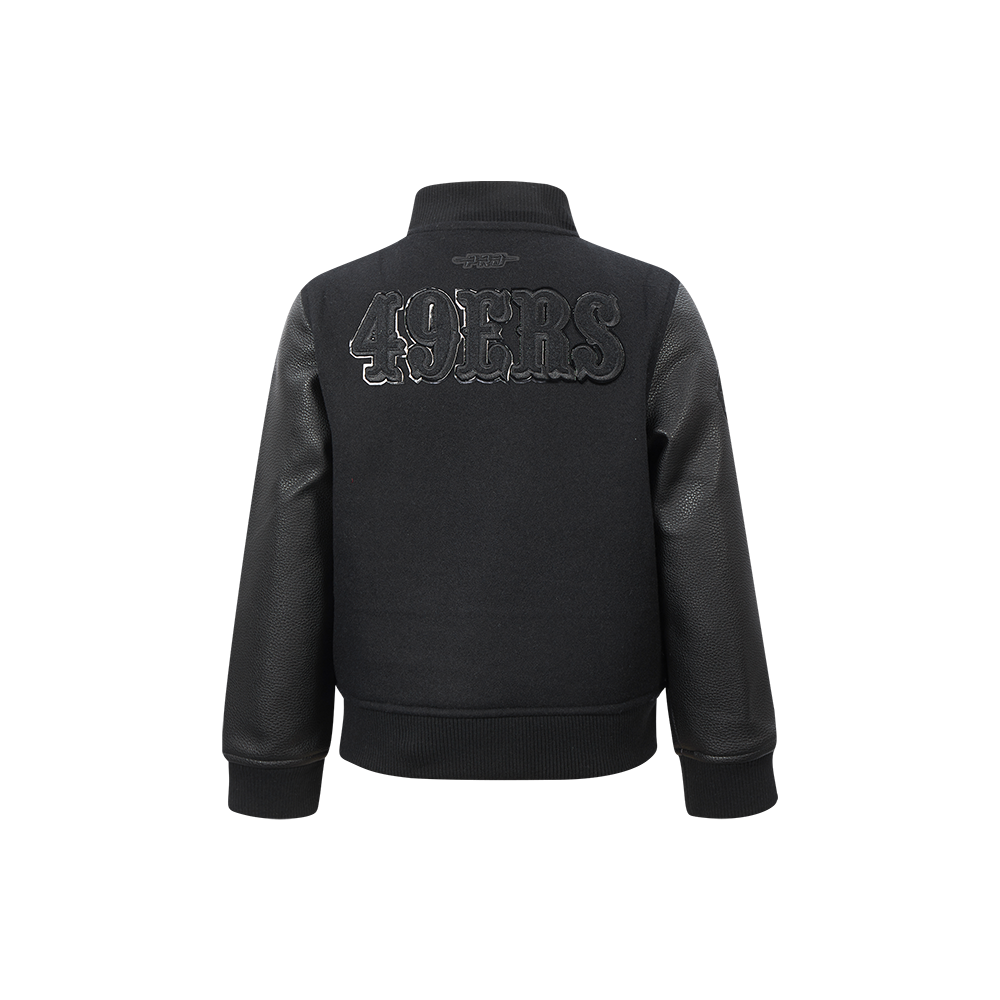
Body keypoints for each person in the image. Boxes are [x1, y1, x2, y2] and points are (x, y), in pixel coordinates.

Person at [223, 181, 778, 819]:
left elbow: (290, 539)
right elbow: (700, 535)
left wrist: (266, 775)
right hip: (607, 773)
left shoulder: (332, 308)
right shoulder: (650, 304)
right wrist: (733, 768)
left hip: (388, 774)